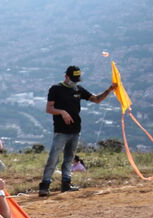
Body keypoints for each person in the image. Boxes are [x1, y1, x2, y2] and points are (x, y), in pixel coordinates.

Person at [39, 65, 117, 196]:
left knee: (69, 158)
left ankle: (66, 184)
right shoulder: (56, 89)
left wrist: (109, 90)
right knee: (53, 158)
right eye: (73, 79)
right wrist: (62, 112)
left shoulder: (78, 89)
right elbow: (49, 109)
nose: (75, 82)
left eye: (77, 80)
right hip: (61, 131)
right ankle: (44, 186)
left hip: (75, 131)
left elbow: (96, 99)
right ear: (66, 77)